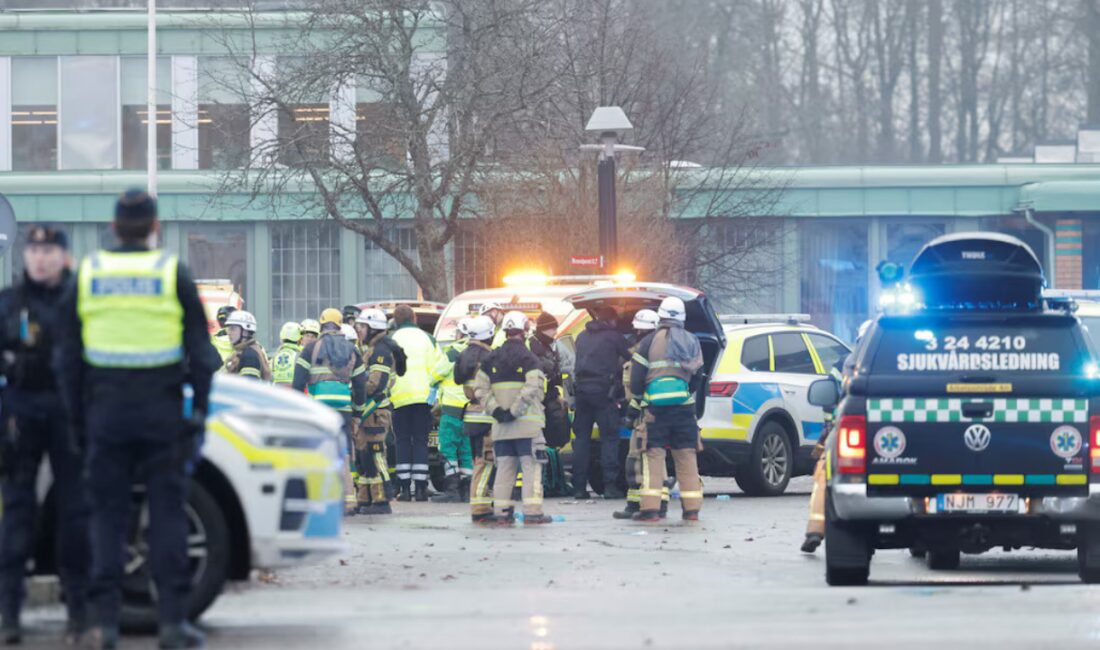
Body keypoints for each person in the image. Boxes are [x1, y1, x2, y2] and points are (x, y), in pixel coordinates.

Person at [55, 189, 219, 649]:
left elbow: (67, 358)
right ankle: (171, 623)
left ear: (112, 225)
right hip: (161, 413)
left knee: (107, 516)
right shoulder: (172, 273)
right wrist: (199, 412)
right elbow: (202, 354)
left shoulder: (89, 274)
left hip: (105, 413)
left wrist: (77, 420)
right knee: (167, 514)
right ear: (154, 227)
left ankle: (105, 625)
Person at [0, 226, 90, 645]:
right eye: (33, 250)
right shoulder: (10, 303)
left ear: (63, 257)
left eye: (48, 250)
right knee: (17, 515)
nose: (40, 257)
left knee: (74, 515)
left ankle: (78, 613)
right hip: (22, 415)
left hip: (69, 415)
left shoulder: (82, 303)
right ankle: (10, 615)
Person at [627, 297, 705, 523]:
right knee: (687, 458)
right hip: (683, 409)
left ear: (660, 316)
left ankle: (650, 511)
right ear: (682, 317)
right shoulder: (692, 340)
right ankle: (692, 511)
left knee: (654, 457)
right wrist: (685, 393)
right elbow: (699, 375)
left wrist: (636, 405)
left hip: (656, 411)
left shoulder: (649, 342)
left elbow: (637, 378)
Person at [474, 312, 552, 525]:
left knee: (504, 470)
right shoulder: (530, 359)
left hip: (501, 428)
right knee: (531, 469)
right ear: (525, 331)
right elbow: (533, 388)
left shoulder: (490, 359)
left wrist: (497, 411)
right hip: (528, 428)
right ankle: (533, 512)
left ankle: (502, 513)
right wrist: (515, 411)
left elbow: (480, 390)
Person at [801, 319, 870, 553]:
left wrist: (829, 430)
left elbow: (829, 401)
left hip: (847, 435)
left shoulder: (845, 364)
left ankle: (815, 530)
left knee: (824, 477)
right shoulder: (901, 359)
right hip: (893, 440)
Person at [293, 308, 367, 516]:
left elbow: (298, 382)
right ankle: (348, 501)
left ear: (321, 325)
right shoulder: (353, 350)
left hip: (319, 407)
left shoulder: (310, 349)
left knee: (320, 450)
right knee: (343, 452)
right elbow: (361, 385)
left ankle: (321, 499)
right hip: (343, 406)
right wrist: (358, 413)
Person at [571, 305, 631, 499]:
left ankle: (579, 488)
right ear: (611, 321)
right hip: (604, 393)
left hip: (581, 393)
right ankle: (610, 486)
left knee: (581, 441)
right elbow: (632, 357)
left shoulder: (581, 336)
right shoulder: (614, 336)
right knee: (609, 439)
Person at [613, 308, 664, 520]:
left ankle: (643, 505)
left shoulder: (646, 353)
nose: (638, 334)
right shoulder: (654, 349)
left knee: (640, 458)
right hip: (648, 411)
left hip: (645, 413)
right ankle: (647, 504)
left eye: (640, 330)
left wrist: (632, 410)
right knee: (646, 459)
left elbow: (640, 387)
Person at [352, 308, 403, 515]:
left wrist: (356, 386)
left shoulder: (380, 351)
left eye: (362, 327)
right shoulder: (372, 348)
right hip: (369, 411)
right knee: (364, 456)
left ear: (372, 328)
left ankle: (382, 500)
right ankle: (366, 498)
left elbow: (376, 383)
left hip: (376, 411)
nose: (359, 331)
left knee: (375, 454)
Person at [389, 304, 439, 501]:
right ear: (415, 318)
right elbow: (438, 368)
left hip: (399, 397)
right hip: (423, 398)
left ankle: (403, 488)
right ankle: (420, 488)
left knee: (402, 441)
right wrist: (435, 397)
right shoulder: (428, 338)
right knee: (420, 441)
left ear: (395, 320)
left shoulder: (392, 339)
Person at [454, 316, 497, 523]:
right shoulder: (490, 357)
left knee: (477, 460)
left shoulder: (463, 355)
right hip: (487, 415)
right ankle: (480, 506)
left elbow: (457, 379)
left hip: (470, 415)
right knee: (485, 462)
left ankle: (483, 502)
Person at [430, 318, 473, 503]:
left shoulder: (452, 352)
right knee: (466, 450)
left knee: (448, 449)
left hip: (452, 410)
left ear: (461, 334)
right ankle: (468, 489)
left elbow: (434, 375)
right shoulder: (478, 352)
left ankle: (452, 489)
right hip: (472, 411)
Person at [222, 310, 271, 381]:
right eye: (228, 329)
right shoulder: (240, 352)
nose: (229, 332)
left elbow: (250, 386)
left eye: (233, 329)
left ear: (245, 332)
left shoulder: (249, 355)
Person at [271, 322, 303, 387]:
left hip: (276, 393)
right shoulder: (300, 355)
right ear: (299, 339)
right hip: (293, 393)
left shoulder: (275, 356)